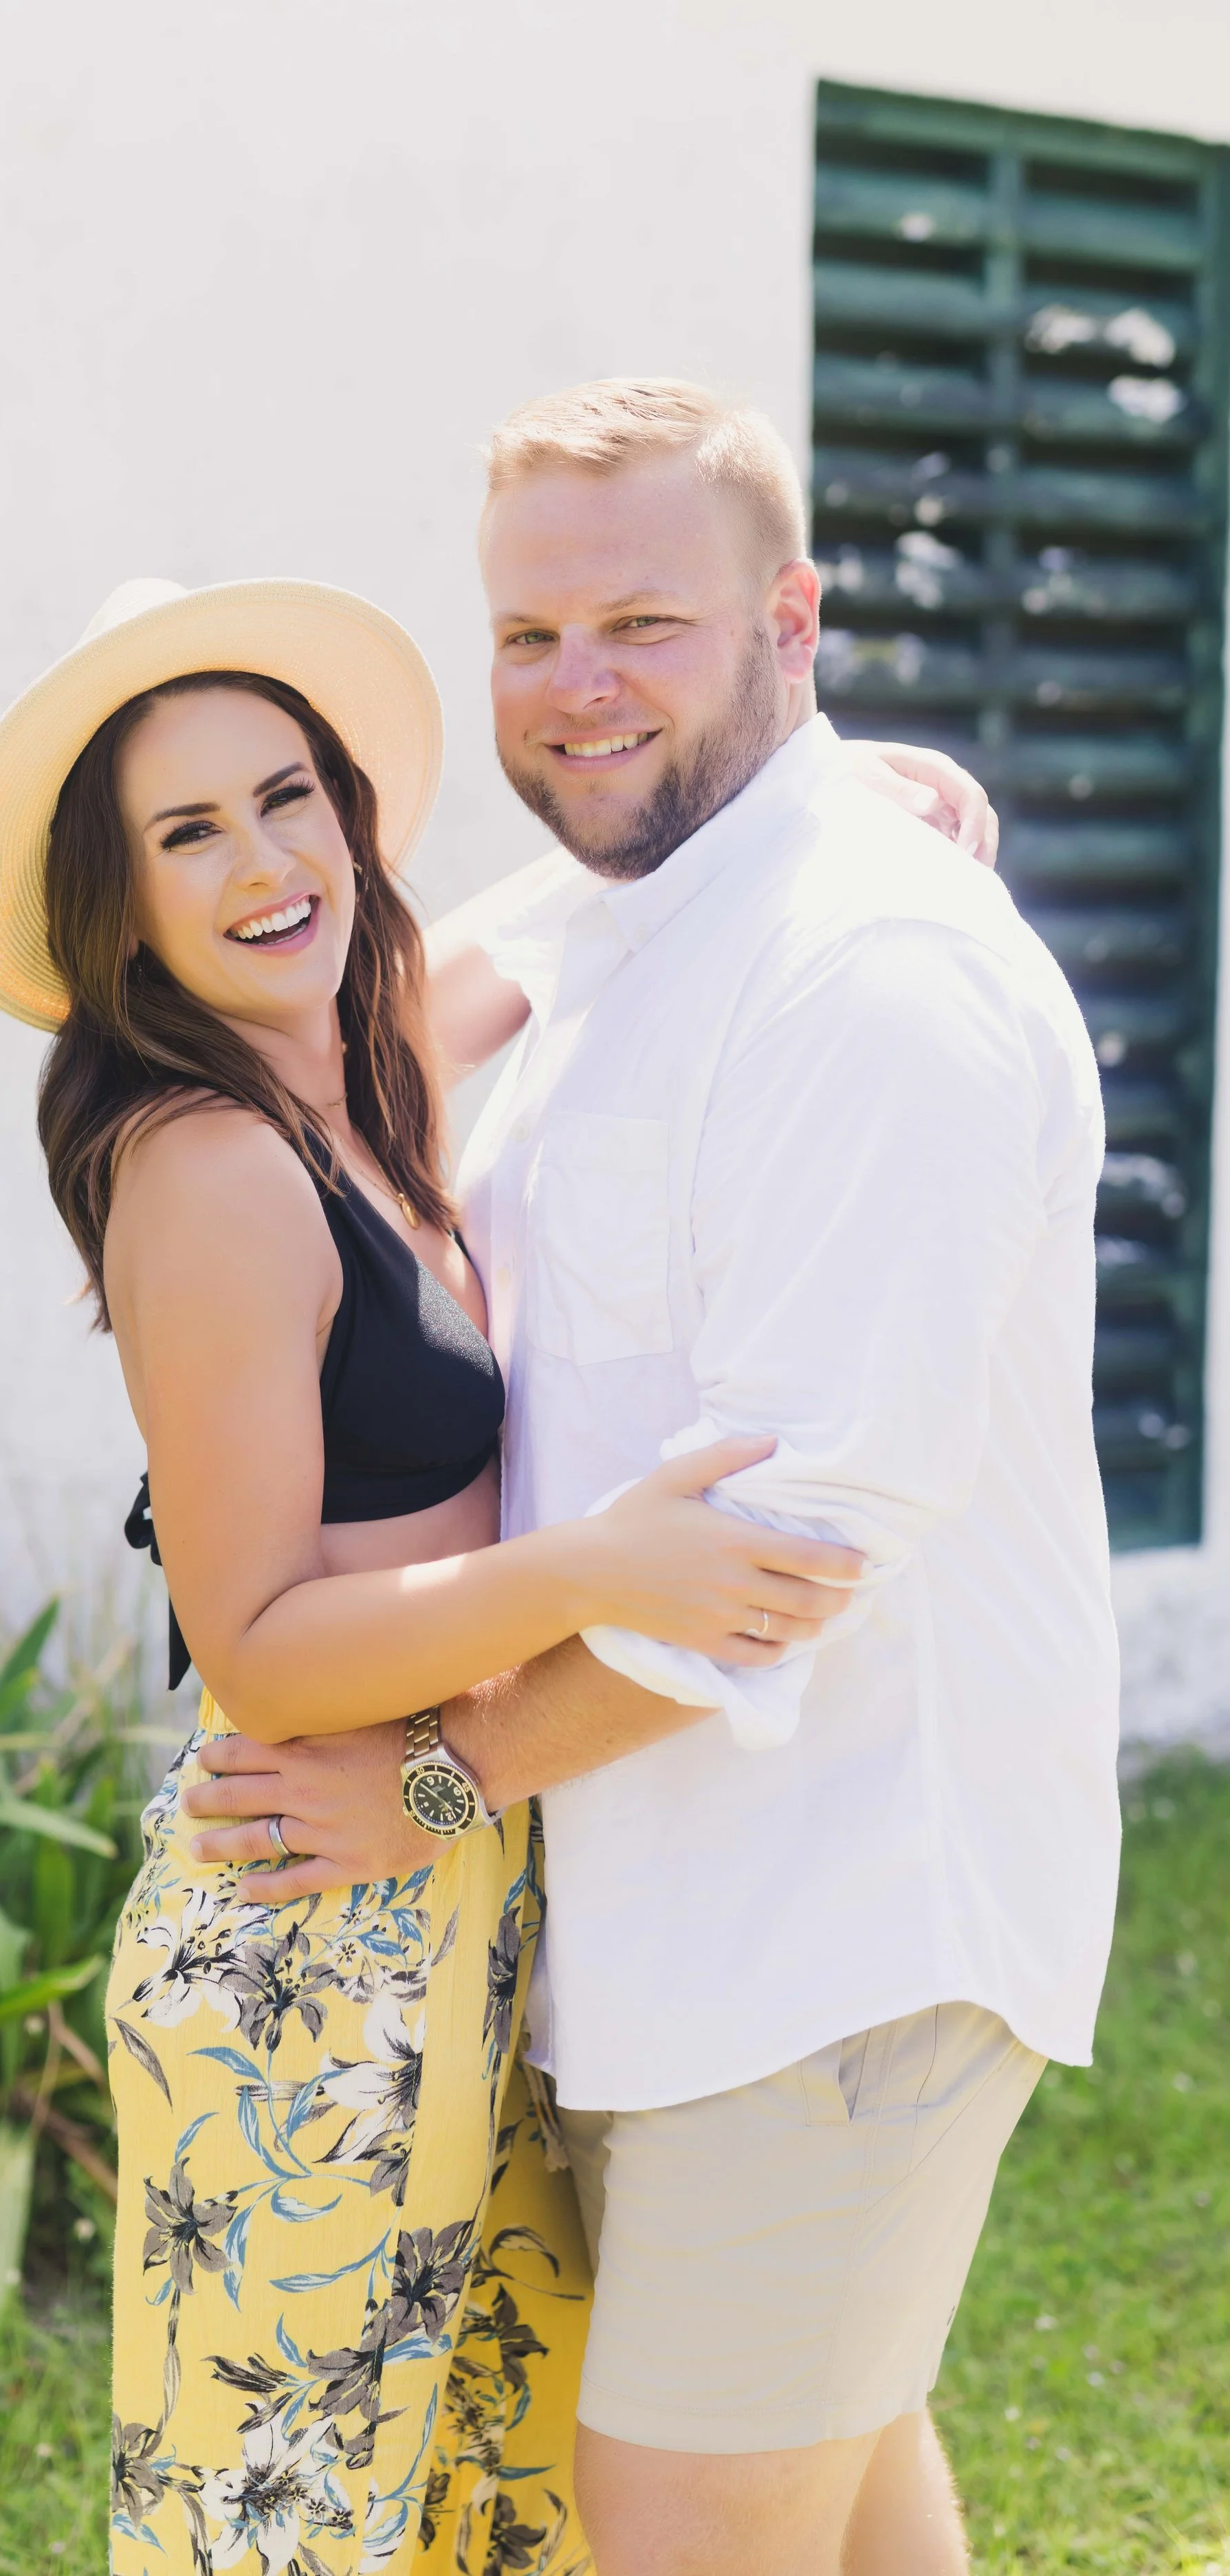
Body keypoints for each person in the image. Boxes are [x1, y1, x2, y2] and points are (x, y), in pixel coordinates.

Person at [0, 573, 997, 2576]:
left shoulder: (351, 1081)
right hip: (304, 1938)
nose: (265, 864)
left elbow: (560, 916)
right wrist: (604, 1565)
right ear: (120, 907)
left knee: (481, 2513)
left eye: (287, 798)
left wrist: (831, 792)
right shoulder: (209, 1165)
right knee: (285, 2538)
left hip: (445, 1886)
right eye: (188, 833)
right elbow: (258, 1648)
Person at [184, 381, 1122, 2576]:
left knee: (679, 2526)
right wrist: (806, 768)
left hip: (834, 1914)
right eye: (528, 635)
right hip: (662, 1911)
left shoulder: (868, 971)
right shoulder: (642, 914)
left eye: (641, 626)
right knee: (844, 2486)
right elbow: (357, 1034)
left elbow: (790, 1552)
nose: (573, 685)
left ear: (789, 618)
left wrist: (433, 1784)